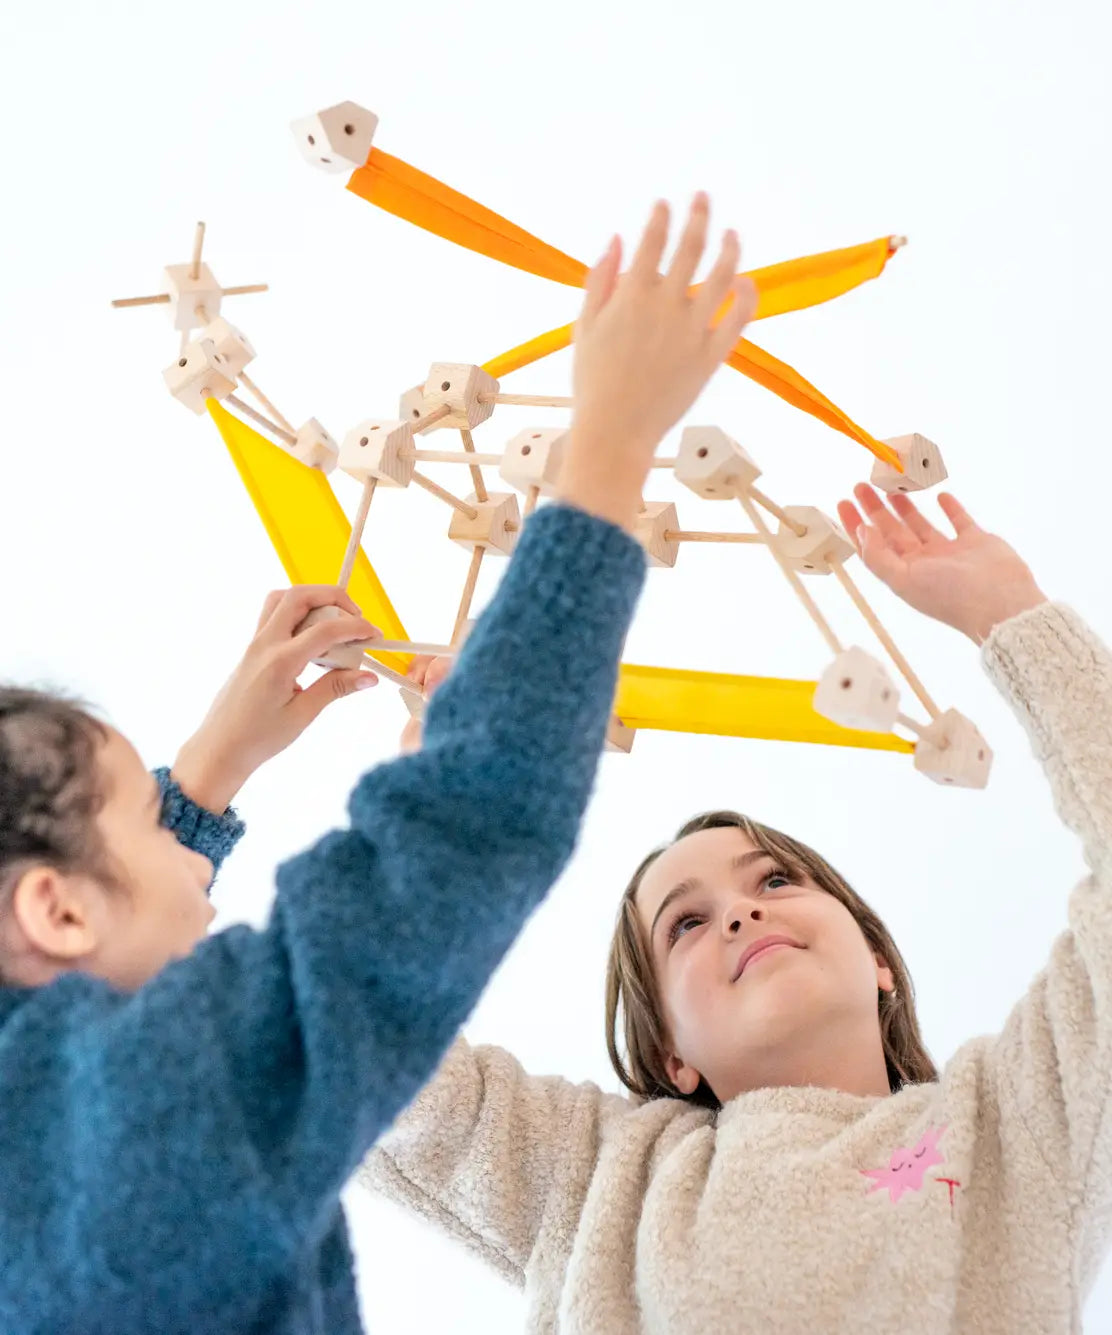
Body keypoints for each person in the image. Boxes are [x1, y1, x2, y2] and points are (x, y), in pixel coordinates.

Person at [0, 193, 756, 1334]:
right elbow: (449, 848)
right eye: (150, 832)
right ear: (53, 909)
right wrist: (606, 449)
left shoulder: (47, 1132)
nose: (198, 868)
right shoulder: (145, 1113)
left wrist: (203, 777)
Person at [362, 484, 1112, 1333]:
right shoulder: (601, 1177)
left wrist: (1010, 613)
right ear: (669, 1050)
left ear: (876, 960)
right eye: (685, 923)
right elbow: (367, 1062)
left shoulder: (1009, 1131)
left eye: (776, 882)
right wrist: (425, 816)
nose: (741, 915)